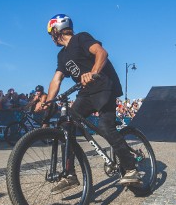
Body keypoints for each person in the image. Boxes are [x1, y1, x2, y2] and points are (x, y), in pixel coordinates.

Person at [43, 13, 139, 194]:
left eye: (50, 33)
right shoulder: (62, 56)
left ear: (56, 30)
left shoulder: (81, 38)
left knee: (105, 126)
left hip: (104, 86)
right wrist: (48, 102)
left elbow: (101, 53)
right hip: (86, 92)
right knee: (66, 126)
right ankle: (70, 175)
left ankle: (131, 169)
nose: (51, 38)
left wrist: (93, 72)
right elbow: (56, 80)